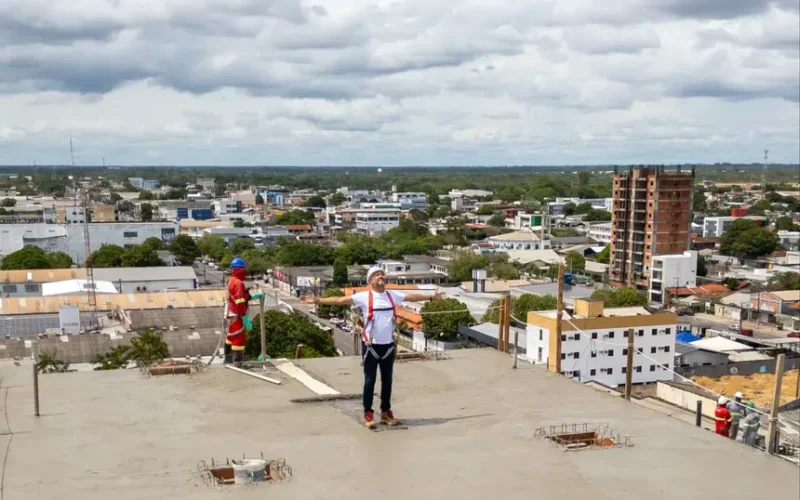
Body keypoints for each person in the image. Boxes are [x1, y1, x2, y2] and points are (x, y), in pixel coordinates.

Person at [306, 266, 441, 429]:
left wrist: (431, 297)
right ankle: (368, 413)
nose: (380, 276)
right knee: (369, 381)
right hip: (371, 346)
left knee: (387, 381)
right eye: (377, 275)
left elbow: (411, 297)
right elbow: (341, 300)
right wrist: (318, 301)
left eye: (382, 274)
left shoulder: (392, 295)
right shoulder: (364, 296)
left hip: (388, 346)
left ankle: (385, 412)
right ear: (370, 281)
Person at [225, 257, 252, 366]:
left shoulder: (231, 280)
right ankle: (237, 363)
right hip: (237, 314)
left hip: (232, 314)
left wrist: (250, 296)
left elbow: (236, 297)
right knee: (239, 339)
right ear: (240, 270)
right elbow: (240, 303)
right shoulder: (238, 283)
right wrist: (245, 319)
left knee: (230, 337)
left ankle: (227, 360)